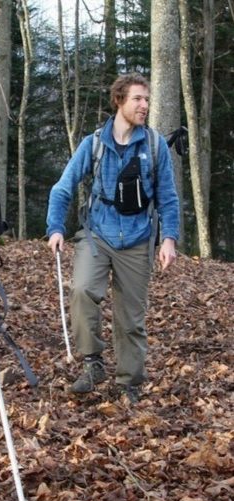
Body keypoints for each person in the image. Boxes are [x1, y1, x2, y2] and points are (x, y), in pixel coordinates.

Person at [46, 73, 179, 404]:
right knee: (82, 291)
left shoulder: (154, 144)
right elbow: (63, 187)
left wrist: (169, 238)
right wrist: (56, 228)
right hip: (97, 234)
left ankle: (128, 381)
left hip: (137, 238)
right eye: (137, 99)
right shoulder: (94, 143)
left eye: (147, 99)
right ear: (120, 100)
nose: (144, 105)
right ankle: (92, 364)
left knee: (131, 317)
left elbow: (168, 196)